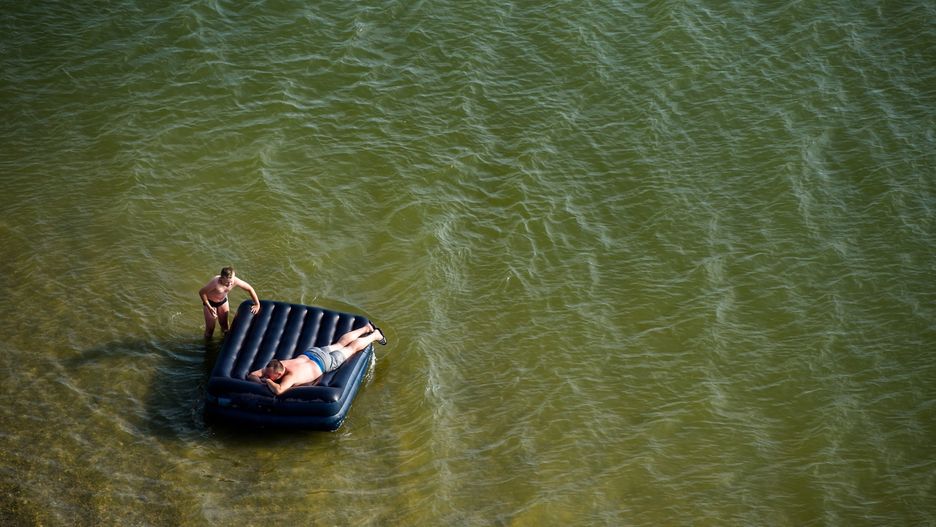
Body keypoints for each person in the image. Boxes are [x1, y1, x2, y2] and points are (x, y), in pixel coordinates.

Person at [248, 323, 387, 395]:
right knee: (339, 344)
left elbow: (278, 390)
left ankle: (375, 335)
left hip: (323, 363)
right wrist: (261, 378)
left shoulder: (290, 377)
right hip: (313, 353)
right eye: (266, 373)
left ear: (279, 374)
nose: (266, 375)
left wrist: (266, 382)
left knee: (351, 349)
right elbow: (252, 375)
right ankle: (365, 328)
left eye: (269, 375)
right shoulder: (279, 364)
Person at [198, 266, 261, 338]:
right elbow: (202, 293)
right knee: (210, 331)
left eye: (231, 282)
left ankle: (223, 343)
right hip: (210, 303)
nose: (230, 285)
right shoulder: (215, 282)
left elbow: (250, 289)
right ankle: (208, 347)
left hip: (223, 301)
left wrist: (257, 304)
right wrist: (209, 308)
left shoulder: (235, 280)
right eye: (227, 282)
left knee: (225, 327)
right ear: (221, 278)